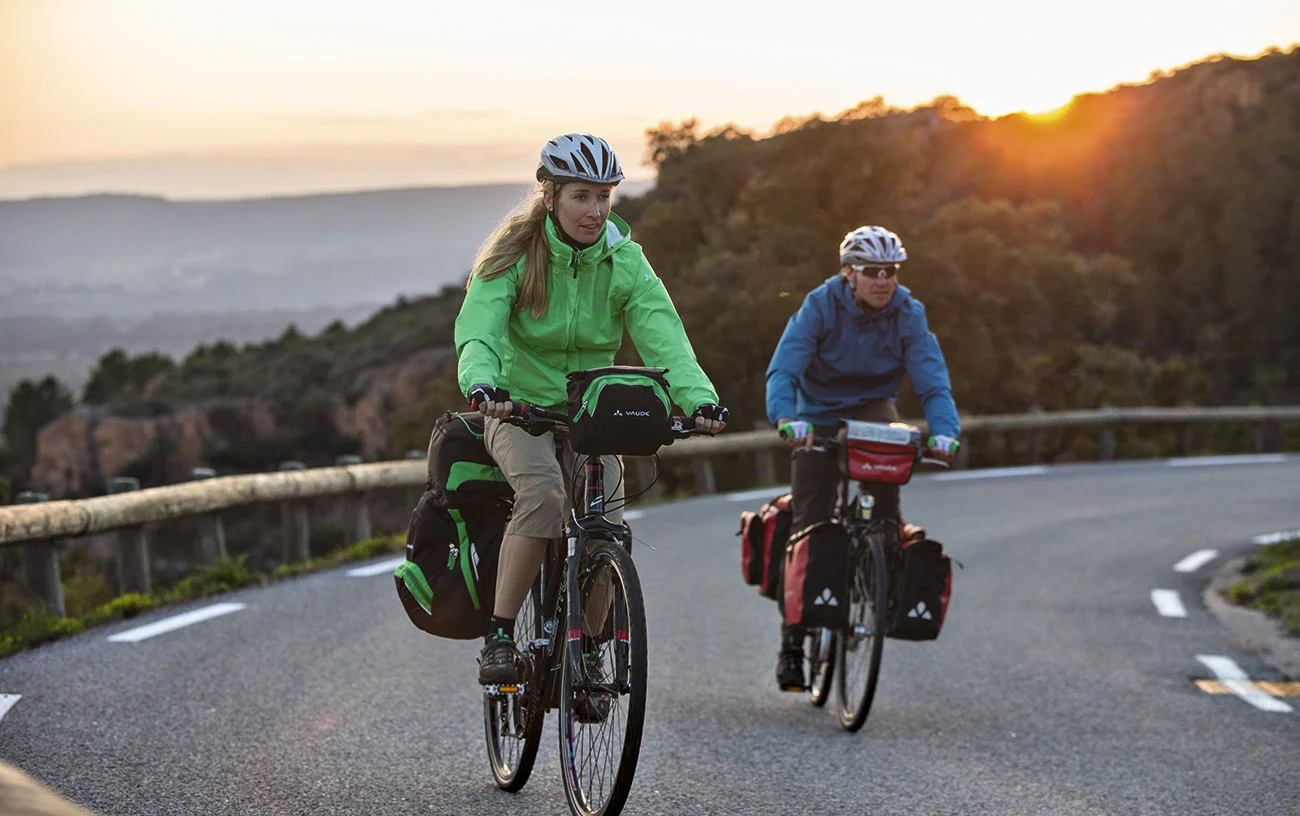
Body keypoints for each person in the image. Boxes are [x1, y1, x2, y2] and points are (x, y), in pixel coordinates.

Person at [455, 133, 729, 686]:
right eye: (582, 196)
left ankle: (589, 654)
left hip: (591, 411)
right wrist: (483, 383)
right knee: (544, 493)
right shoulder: (515, 251)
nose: (596, 210)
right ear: (551, 194)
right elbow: (480, 326)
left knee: (608, 525)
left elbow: (664, 336)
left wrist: (698, 398)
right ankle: (502, 634)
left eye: (605, 197)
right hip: (516, 408)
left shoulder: (623, 258)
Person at [764, 225, 960, 690]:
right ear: (848, 273)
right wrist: (787, 420)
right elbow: (784, 368)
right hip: (817, 415)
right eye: (872, 271)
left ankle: (879, 581)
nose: (883, 280)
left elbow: (932, 380)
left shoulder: (908, 313)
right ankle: (793, 643)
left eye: (890, 271)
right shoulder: (820, 306)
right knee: (808, 520)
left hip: (874, 410)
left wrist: (947, 432)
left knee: (886, 514)